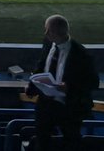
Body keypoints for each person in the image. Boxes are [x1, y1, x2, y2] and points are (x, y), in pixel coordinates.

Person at [26, 14, 99, 151]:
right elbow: (41, 66)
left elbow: (93, 82)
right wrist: (31, 86)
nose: (46, 33)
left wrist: (69, 87)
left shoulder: (81, 54)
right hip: (46, 104)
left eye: (48, 30)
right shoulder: (48, 44)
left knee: (71, 142)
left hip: (69, 107)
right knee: (42, 142)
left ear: (57, 32)